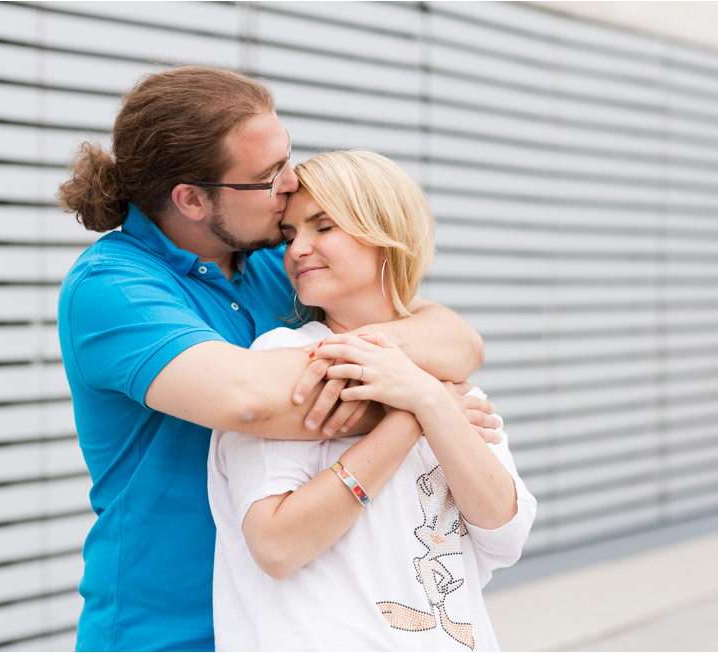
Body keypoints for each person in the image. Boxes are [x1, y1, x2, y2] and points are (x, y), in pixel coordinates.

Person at [56, 66, 492, 651]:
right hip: (169, 631)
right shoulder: (113, 287)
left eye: (286, 158)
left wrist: (417, 386)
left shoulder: (277, 264)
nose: (290, 184)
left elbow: (454, 340)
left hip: (287, 625)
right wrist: (421, 406)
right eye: (266, 177)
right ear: (190, 198)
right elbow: (252, 401)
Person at [208, 150, 537, 651]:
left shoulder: (438, 373)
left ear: (385, 235)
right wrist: (413, 416)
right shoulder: (289, 360)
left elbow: (505, 535)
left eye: (323, 227)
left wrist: (425, 395)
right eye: (291, 234)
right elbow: (277, 545)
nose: (296, 251)